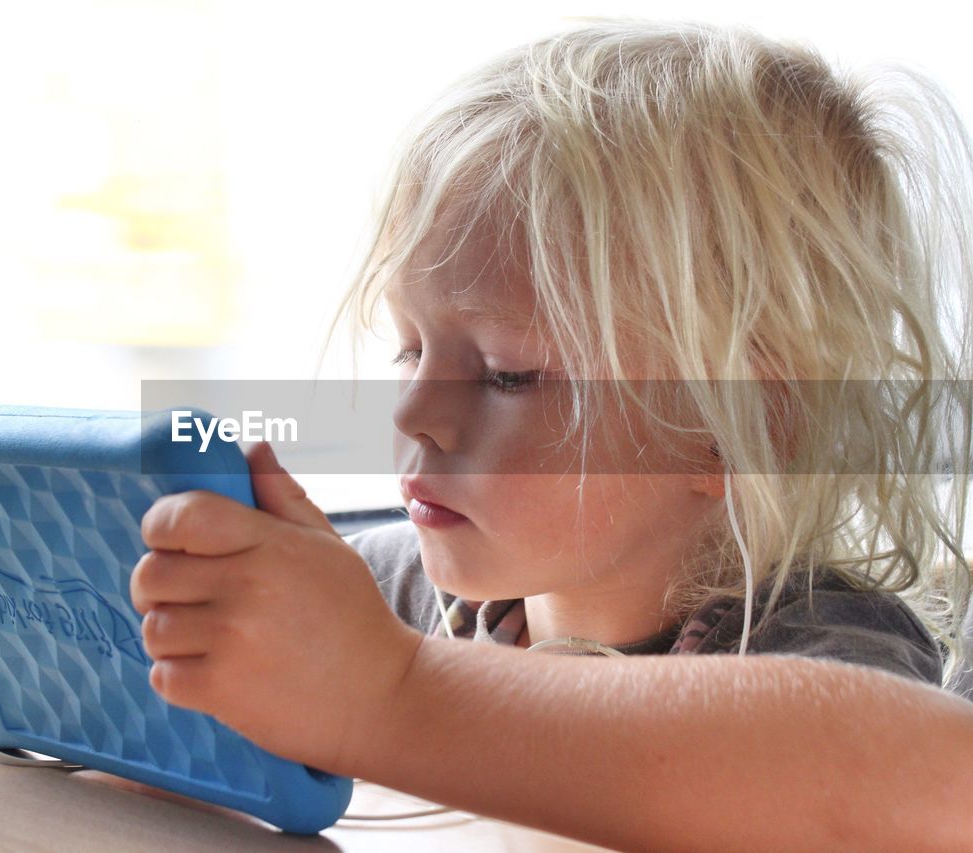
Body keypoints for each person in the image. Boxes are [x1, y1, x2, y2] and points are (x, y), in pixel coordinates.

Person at [130, 19, 973, 848]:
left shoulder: (827, 642)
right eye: (410, 348)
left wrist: (392, 692)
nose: (412, 412)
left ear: (735, 426)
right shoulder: (413, 603)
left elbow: (921, 780)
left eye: (506, 373)